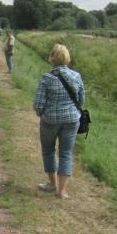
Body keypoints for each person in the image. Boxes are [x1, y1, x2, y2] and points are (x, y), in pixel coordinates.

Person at [33, 43, 85, 199]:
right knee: (66, 153)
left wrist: (42, 114)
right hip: (71, 120)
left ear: (52, 58)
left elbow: (38, 103)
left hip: (50, 120)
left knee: (48, 150)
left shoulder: (47, 78)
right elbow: (81, 100)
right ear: (67, 58)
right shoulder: (76, 76)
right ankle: (62, 191)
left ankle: (52, 183)